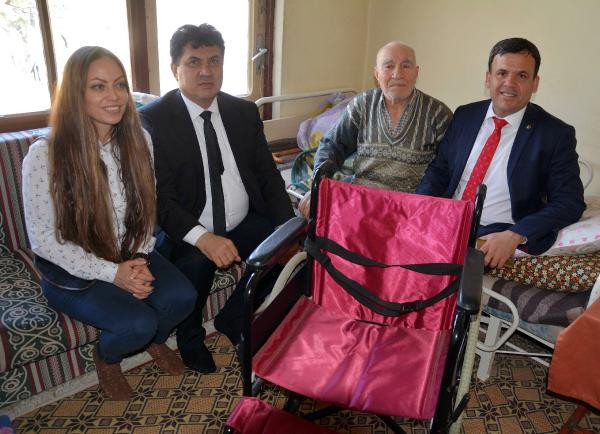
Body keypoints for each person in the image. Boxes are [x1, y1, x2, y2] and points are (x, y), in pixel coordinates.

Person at [22, 46, 197, 400]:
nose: (114, 96)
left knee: (182, 298)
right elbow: (45, 242)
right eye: (98, 86)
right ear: (76, 93)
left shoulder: (139, 139)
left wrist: (140, 259)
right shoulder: (45, 155)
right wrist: (115, 274)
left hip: (128, 252)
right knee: (138, 323)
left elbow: (146, 208)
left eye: (119, 84)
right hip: (72, 269)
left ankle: (155, 341)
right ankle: (108, 358)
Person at [140, 24, 294, 373]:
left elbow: (268, 176)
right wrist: (205, 238)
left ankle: (232, 319)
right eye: (194, 62)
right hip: (188, 227)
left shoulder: (243, 112)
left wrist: (287, 228)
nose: (206, 71)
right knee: (196, 262)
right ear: (175, 69)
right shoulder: (154, 121)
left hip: (242, 218)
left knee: (291, 247)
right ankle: (190, 336)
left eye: (214, 61)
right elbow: (161, 200)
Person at [416, 37, 585, 268]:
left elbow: (569, 202)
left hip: (495, 233)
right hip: (447, 221)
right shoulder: (465, 115)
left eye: (522, 76)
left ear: (535, 83)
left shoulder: (555, 134)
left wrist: (515, 235)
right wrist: (419, 208)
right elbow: (439, 172)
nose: (509, 83)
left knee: (444, 271)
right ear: (488, 78)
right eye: (502, 73)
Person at [299, 41, 453, 217]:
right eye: (389, 66)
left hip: (409, 211)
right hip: (360, 203)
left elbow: (446, 171)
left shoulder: (438, 114)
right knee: (315, 221)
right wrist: (318, 185)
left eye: (406, 66)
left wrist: (422, 208)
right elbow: (332, 145)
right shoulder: (362, 105)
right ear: (377, 74)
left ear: (416, 72)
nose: (397, 74)